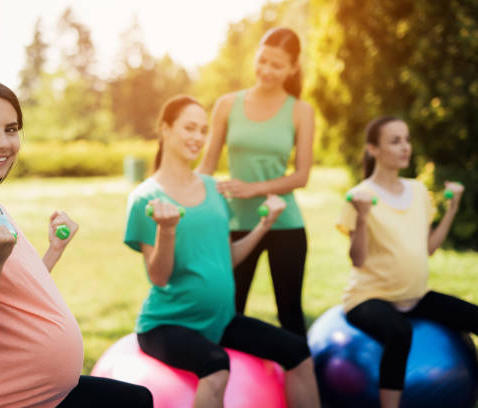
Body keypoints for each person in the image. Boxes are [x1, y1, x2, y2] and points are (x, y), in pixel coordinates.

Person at [0, 76, 152, 408]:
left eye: (11, 129)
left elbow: (9, 295)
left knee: (135, 400)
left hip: (42, 395)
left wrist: (53, 251)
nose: (3, 142)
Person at [124, 95, 320, 408]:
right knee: (216, 366)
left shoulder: (213, 189)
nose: (198, 138)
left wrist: (264, 225)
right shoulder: (146, 198)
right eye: (189, 128)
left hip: (220, 319)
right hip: (167, 324)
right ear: (165, 129)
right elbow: (159, 277)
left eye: (203, 130)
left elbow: (226, 258)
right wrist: (168, 229)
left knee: (298, 352)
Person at [337, 115, 477, 408]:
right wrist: (362, 217)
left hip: (414, 297)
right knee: (399, 333)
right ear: (373, 149)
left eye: (407, 139)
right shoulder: (360, 196)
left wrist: (451, 209)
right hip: (369, 298)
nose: (405, 147)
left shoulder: (417, 191)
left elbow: (427, 248)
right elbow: (358, 259)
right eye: (395, 141)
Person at [197, 27, 314, 337]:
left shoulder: (301, 111)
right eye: (262, 60)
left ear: (293, 68)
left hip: (285, 225)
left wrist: (254, 189)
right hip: (235, 223)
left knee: (290, 315)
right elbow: (207, 164)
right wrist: (187, 196)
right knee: (229, 313)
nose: (266, 70)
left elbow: (301, 176)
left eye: (277, 65)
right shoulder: (226, 104)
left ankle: (303, 382)